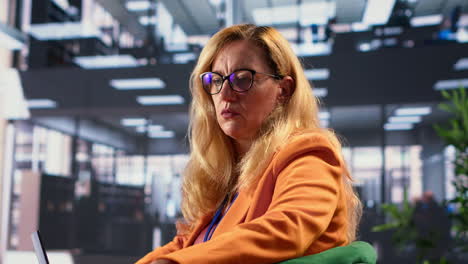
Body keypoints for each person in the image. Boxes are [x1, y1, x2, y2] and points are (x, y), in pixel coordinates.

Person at [136, 24, 362, 264]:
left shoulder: (308, 153)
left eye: (242, 79)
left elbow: (286, 230)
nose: (225, 94)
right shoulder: (229, 173)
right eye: (216, 80)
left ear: (283, 90)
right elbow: (187, 243)